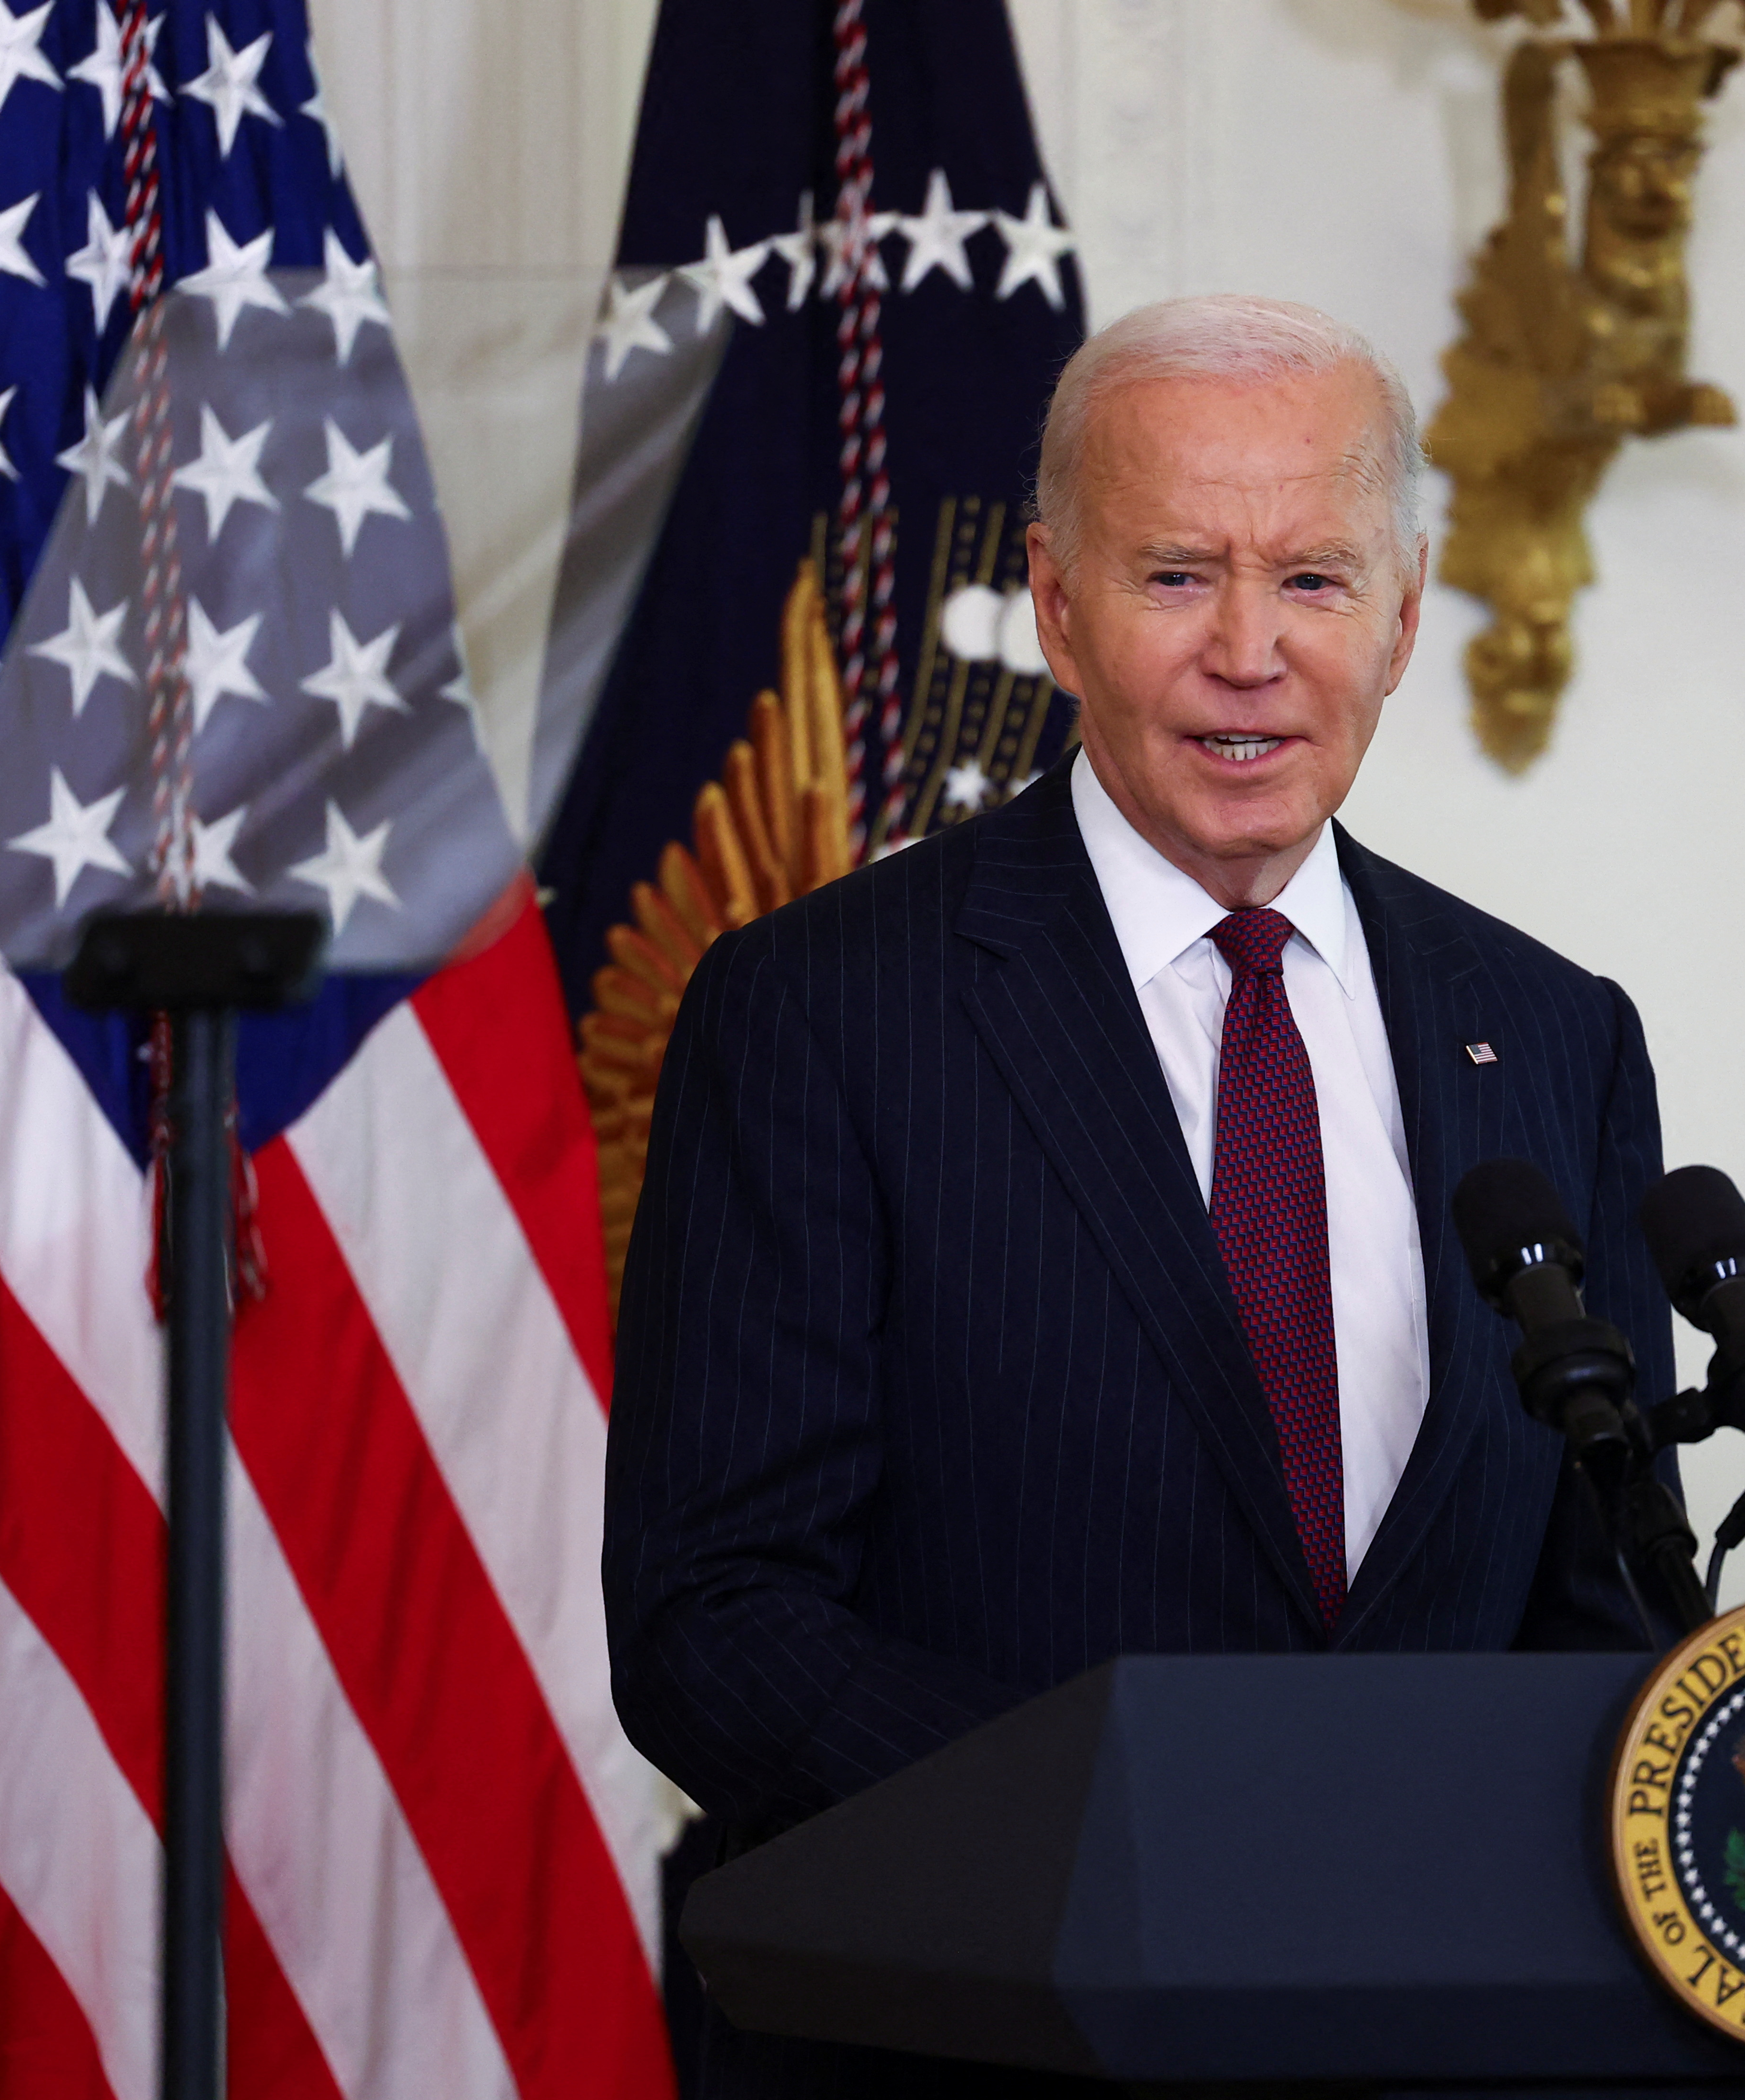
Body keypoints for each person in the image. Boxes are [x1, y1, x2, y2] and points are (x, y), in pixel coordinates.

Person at [605, 294, 1679, 2094]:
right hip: (971, 2040)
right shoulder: (822, 1010)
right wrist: (1142, 1822)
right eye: (1178, 574)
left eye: (1316, 583)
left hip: (1436, 2049)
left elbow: (1604, 1602)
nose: (1247, 652)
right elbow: (714, 1619)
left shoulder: (1551, 1035)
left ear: (1406, 614)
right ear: (1055, 601)